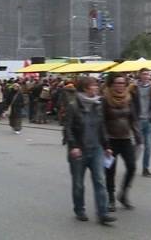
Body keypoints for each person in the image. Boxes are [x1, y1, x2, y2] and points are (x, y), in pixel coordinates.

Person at [65, 76, 116, 225]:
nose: (97, 88)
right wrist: (74, 146)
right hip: (79, 150)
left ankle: (103, 213)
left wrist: (107, 146)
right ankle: (79, 209)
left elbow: (102, 127)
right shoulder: (74, 105)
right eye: (94, 85)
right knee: (78, 183)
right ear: (86, 88)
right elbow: (68, 128)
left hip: (96, 149)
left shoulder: (98, 104)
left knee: (100, 181)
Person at [103, 73, 141, 212]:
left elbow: (133, 118)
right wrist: (104, 142)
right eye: (117, 83)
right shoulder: (105, 99)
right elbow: (101, 122)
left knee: (132, 167)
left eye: (122, 83)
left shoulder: (129, 98)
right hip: (110, 140)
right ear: (112, 85)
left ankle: (123, 194)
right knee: (110, 170)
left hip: (125, 138)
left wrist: (138, 135)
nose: (120, 86)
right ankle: (111, 198)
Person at [131, 68, 151, 178]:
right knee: (138, 146)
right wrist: (134, 117)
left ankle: (145, 169)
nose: (146, 76)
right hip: (138, 121)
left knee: (148, 146)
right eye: (144, 74)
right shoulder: (133, 88)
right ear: (140, 75)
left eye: (147, 74)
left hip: (148, 121)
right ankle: (132, 166)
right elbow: (131, 103)